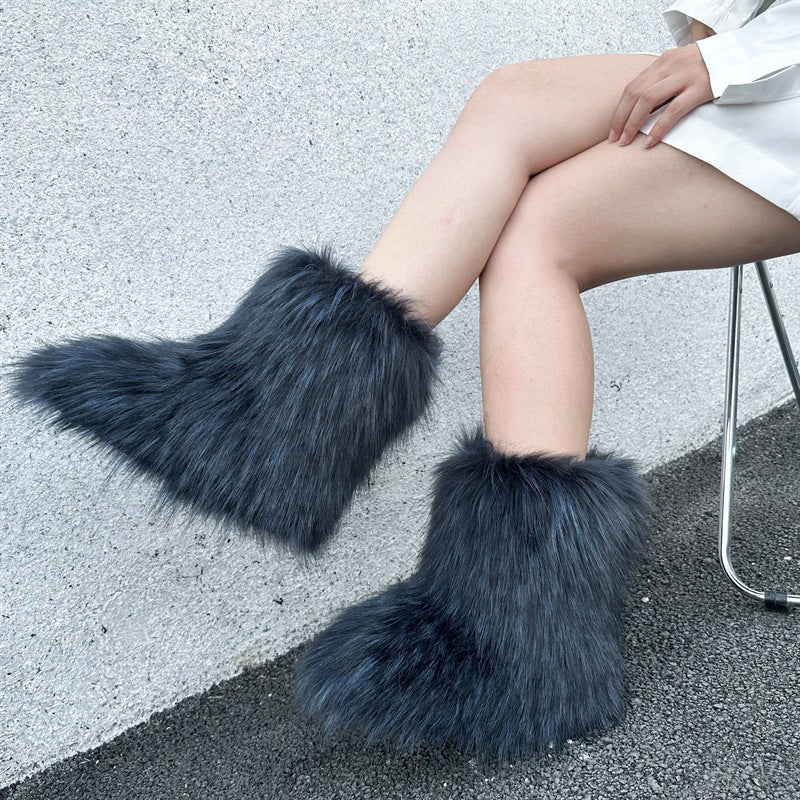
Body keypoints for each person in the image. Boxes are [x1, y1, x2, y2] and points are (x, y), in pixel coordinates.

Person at [12, 0, 800, 759]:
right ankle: (283, 431)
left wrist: (726, 58)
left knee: (533, 207)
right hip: (765, 70)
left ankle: (291, 443)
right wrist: (711, 40)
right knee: (516, 127)